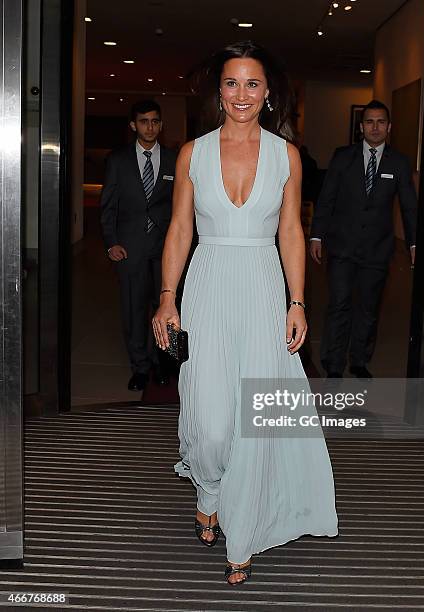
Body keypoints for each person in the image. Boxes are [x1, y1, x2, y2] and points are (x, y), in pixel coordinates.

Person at [152, 41, 338, 585]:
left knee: (254, 419)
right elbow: (181, 229)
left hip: (262, 286)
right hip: (207, 285)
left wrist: (297, 301)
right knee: (209, 420)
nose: (241, 94)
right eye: (232, 83)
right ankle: (208, 490)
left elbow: (290, 231)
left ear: (268, 93)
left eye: (252, 83)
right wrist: (168, 295)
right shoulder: (192, 152)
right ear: (220, 91)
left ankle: (244, 528)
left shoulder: (287, 156)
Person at [309, 100, 417, 379]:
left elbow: (409, 206)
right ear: (361, 127)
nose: (375, 127)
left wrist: (414, 242)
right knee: (339, 303)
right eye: (369, 121)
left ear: (389, 127)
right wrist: (317, 235)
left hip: (378, 250)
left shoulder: (399, 163)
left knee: (368, 308)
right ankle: (334, 362)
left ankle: (359, 360)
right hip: (342, 246)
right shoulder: (342, 157)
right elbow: (327, 198)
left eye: (381, 122)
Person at [100, 100, 177, 391]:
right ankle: (141, 367)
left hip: (165, 247)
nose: (150, 127)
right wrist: (111, 243)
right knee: (134, 309)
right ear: (133, 125)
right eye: (144, 121)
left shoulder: (174, 158)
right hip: (130, 247)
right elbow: (108, 206)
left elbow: (182, 205)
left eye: (155, 121)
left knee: (168, 306)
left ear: (161, 124)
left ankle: (168, 364)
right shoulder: (118, 160)